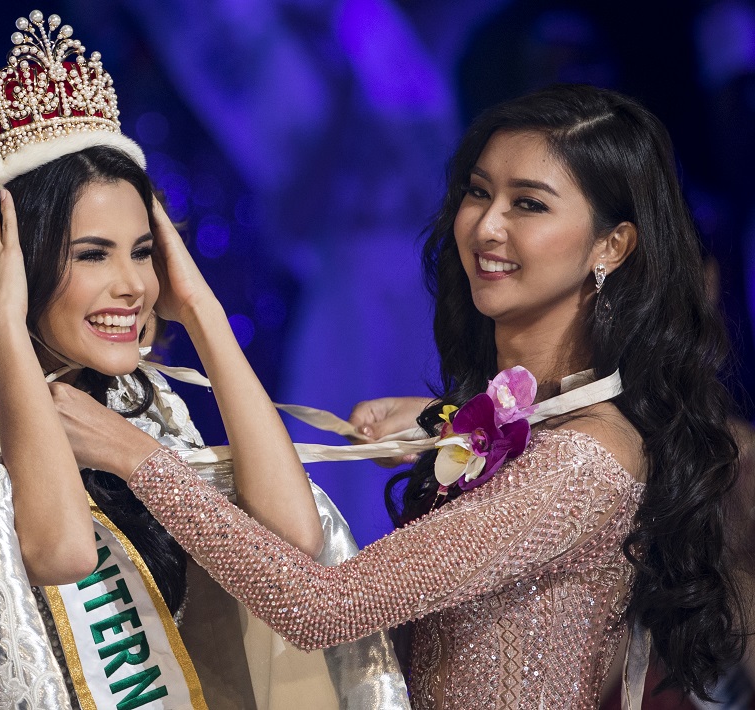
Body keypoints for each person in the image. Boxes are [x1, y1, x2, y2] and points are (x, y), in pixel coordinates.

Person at [60, 84, 749, 708]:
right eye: (479, 192)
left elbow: (322, 610)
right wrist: (440, 423)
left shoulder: (583, 462)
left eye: (528, 205)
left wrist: (136, 457)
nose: (486, 227)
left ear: (612, 245)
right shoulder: (521, 416)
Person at [0, 10, 408, 709]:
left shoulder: (137, 404)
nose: (133, 285)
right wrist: (3, 328)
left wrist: (203, 312)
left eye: (144, 251)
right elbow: (62, 554)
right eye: (92, 254)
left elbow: (292, 535)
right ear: (16, 263)